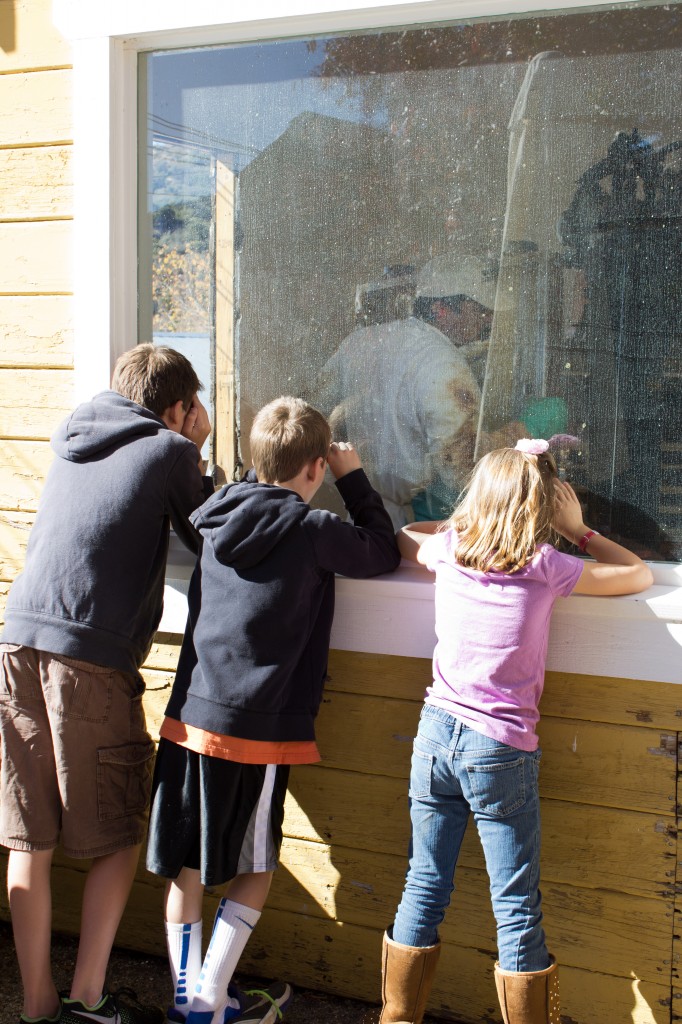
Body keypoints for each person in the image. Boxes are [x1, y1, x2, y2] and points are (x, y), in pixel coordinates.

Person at [366, 438, 653, 1024]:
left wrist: (474, 520)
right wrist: (581, 531)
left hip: (435, 733)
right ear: (545, 508)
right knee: (516, 907)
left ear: (481, 498)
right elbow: (638, 574)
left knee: (423, 884)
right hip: (499, 747)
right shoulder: (547, 565)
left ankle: (396, 1019)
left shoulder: (449, 548)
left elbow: (409, 533)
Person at [145, 396, 401, 1024]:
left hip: (191, 715)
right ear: (314, 468)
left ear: (256, 458)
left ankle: (189, 999)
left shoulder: (211, 516)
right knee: (255, 862)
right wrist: (355, 477)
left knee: (188, 863)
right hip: (257, 729)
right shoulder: (312, 530)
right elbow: (382, 551)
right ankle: (206, 1001)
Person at [0, 344, 213, 1024]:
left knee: (29, 838)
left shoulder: (73, 431)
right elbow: (218, 536)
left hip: (14, 643)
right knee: (117, 833)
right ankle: (88, 996)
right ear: (178, 407)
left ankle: (36, 1006)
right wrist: (196, 447)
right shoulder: (169, 450)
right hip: (89, 660)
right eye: (192, 410)